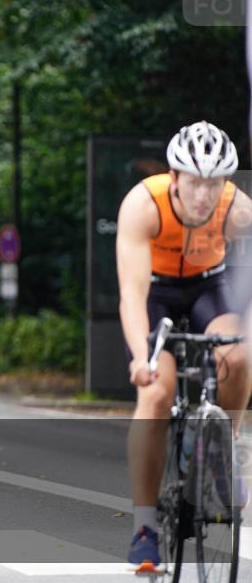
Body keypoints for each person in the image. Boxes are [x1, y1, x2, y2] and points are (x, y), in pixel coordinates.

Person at [117, 121, 252, 567]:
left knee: (239, 355)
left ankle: (224, 449)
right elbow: (132, 296)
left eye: (214, 184)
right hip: (155, 293)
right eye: (195, 182)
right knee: (157, 391)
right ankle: (144, 526)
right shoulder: (143, 205)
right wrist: (142, 357)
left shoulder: (237, 211)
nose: (203, 195)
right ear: (174, 178)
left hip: (208, 288)